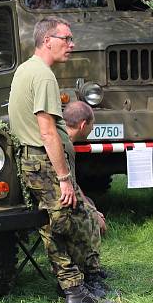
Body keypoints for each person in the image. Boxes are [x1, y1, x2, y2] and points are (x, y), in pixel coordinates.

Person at [8, 17, 113, 303]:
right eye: (66, 39)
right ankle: (75, 291)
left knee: (62, 222)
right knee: (65, 223)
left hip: (35, 161)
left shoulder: (26, 70)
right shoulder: (42, 75)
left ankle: (80, 287)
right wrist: (64, 177)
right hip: (43, 162)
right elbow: (47, 131)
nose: (72, 44)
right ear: (47, 40)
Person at [61, 100, 110, 293]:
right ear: (83, 125)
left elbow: (72, 182)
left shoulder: (65, 140)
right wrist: (93, 212)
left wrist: (91, 206)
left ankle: (91, 268)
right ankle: (91, 274)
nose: (92, 128)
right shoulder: (63, 144)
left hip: (63, 193)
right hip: (57, 201)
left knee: (89, 205)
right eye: (92, 124)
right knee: (88, 215)